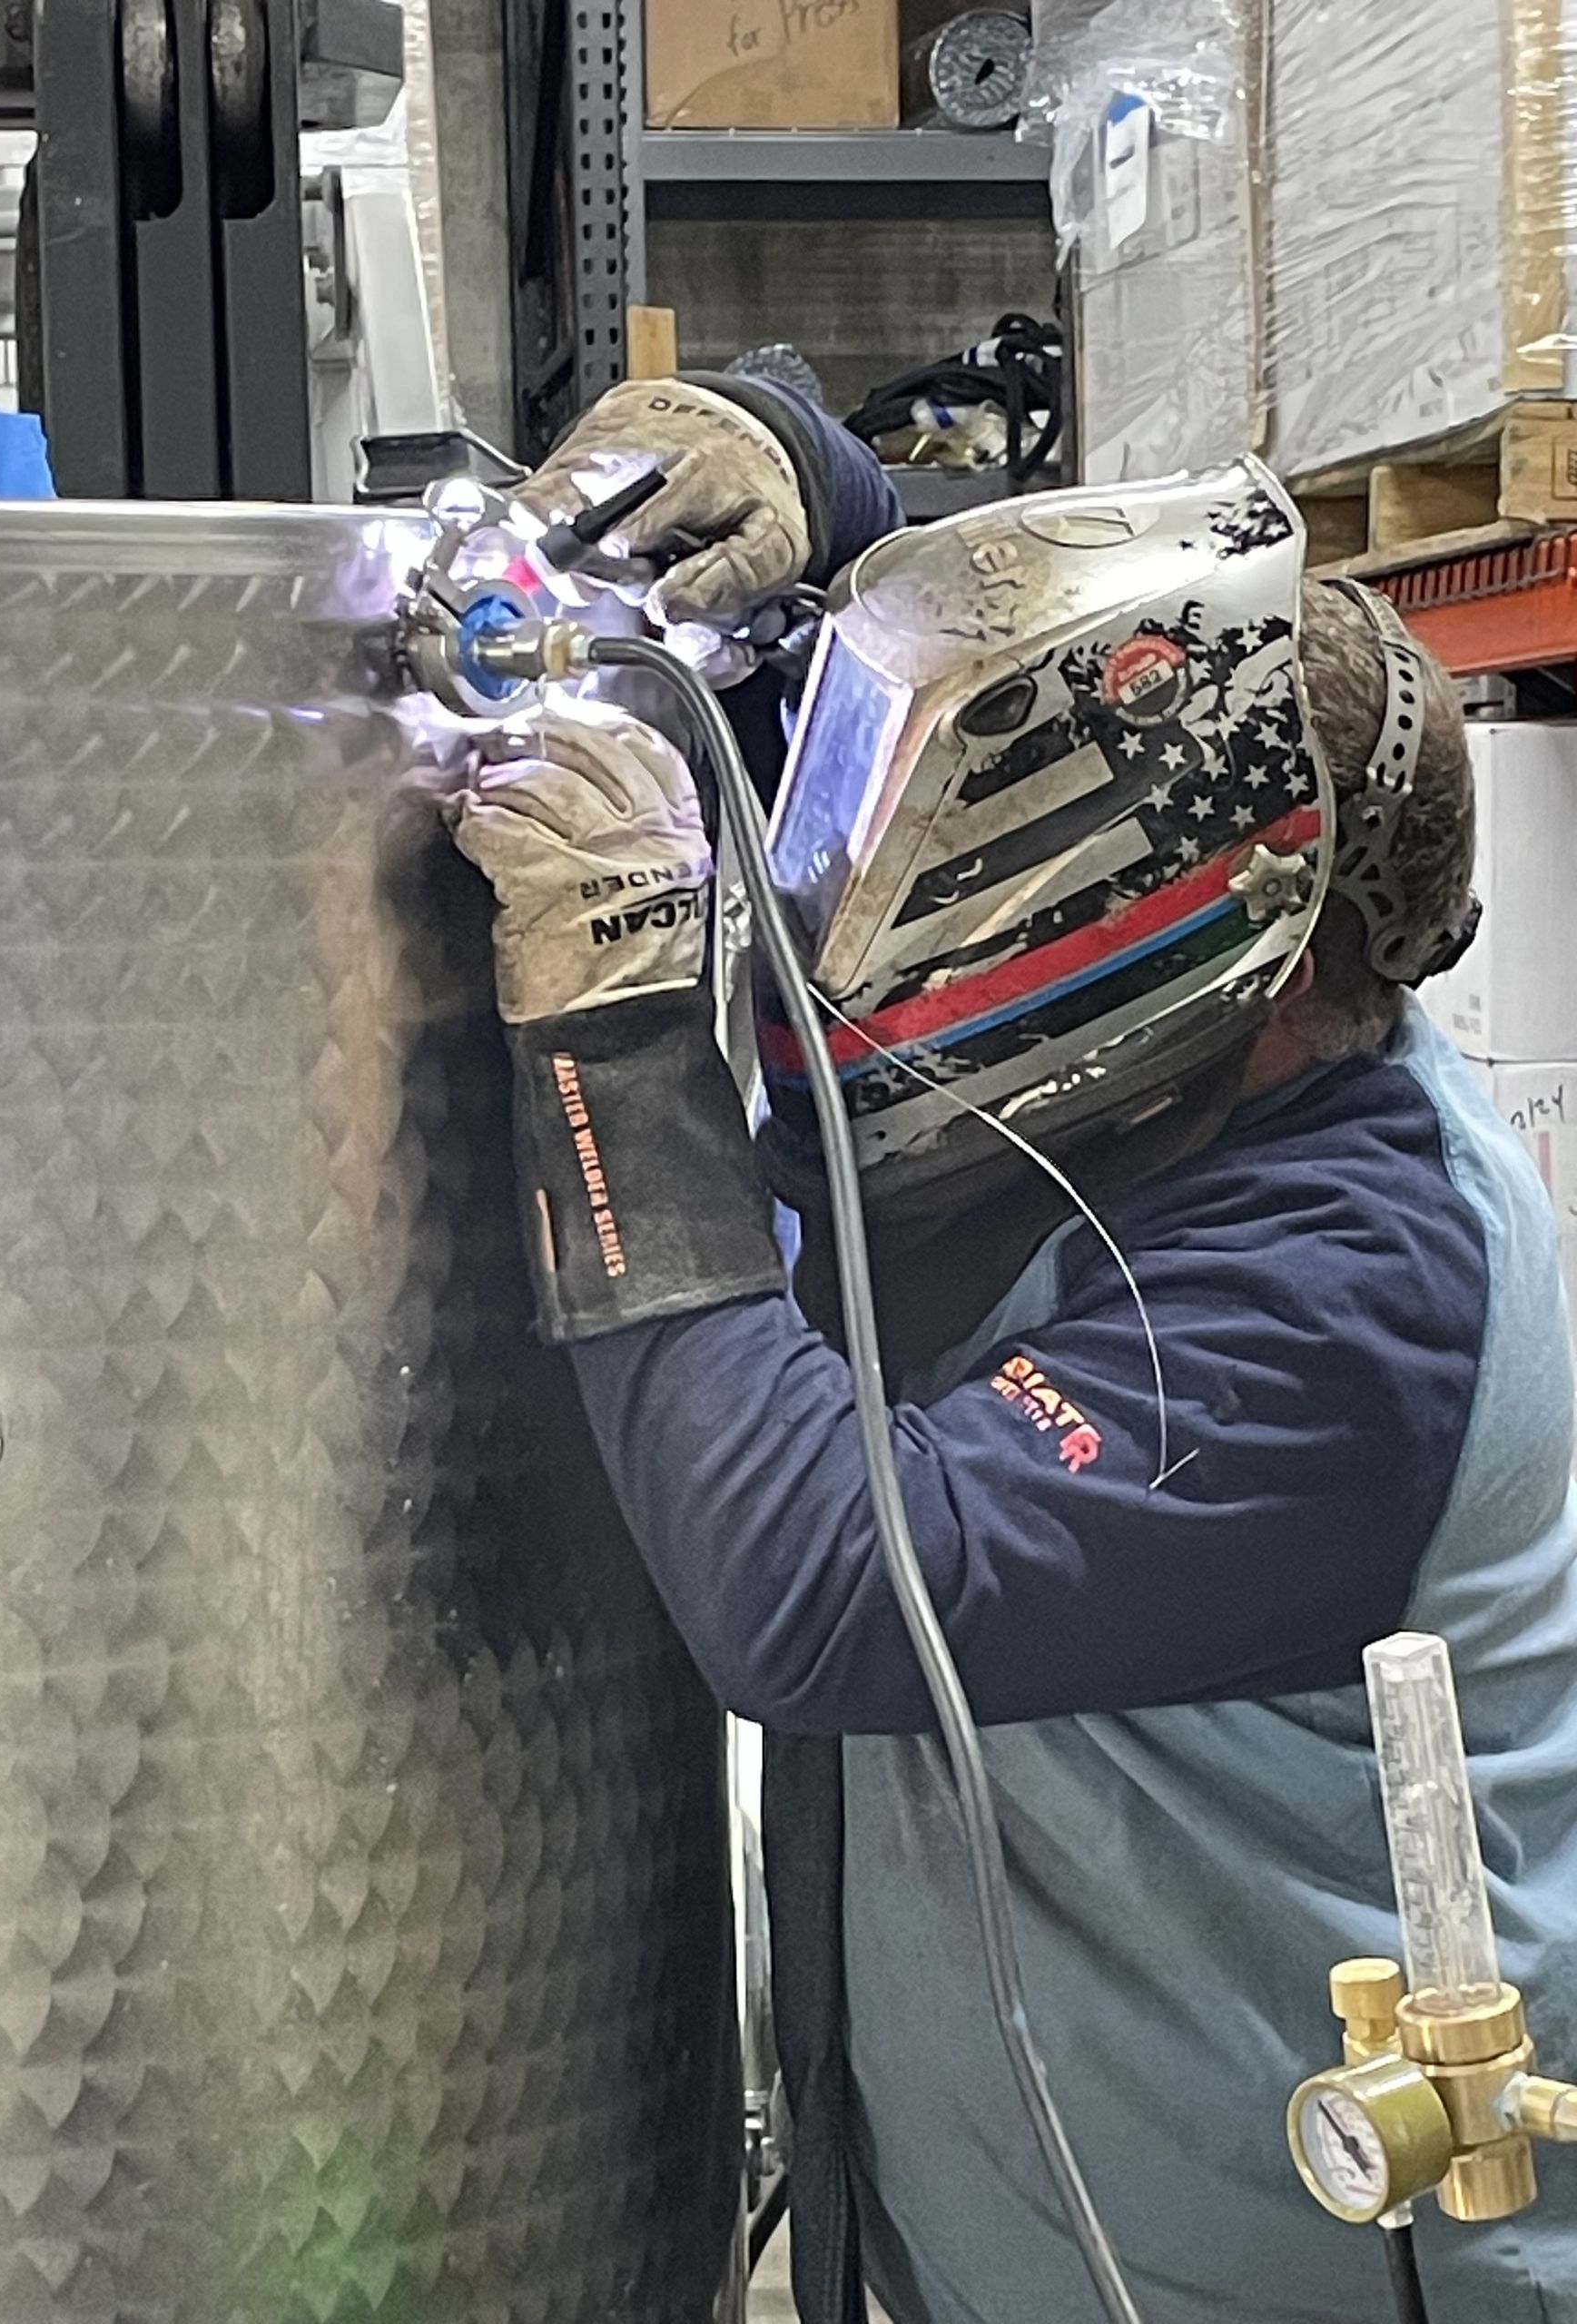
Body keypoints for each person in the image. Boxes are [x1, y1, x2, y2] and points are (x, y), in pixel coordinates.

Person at [442, 378, 1577, 2324]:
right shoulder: (1160, 1077)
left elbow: (821, 1584)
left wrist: (627, 1049)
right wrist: (817, 483)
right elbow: (1021, 732)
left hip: (1295, 2274)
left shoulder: (1356, 1296)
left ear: (1250, 951)